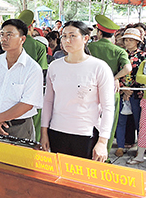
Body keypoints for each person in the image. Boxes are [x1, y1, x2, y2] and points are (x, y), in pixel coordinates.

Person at [40, 21, 114, 161]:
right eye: (64, 36)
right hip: (57, 131)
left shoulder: (99, 67)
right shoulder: (55, 66)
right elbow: (48, 101)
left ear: (85, 38)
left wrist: (103, 142)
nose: (67, 40)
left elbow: (108, 107)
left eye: (73, 36)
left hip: (86, 134)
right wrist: (44, 132)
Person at [0, 19, 43, 141]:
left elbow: (27, 104)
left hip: (20, 127)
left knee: (19, 160)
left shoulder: (32, 68)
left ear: (22, 39)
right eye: (2, 34)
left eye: (9, 35)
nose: (3, 39)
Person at [87, 15, 132, 157]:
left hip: (90, 89)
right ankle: (103, 154)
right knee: (108, 122)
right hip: (111, 91)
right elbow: (128, 68)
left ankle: (88, 152)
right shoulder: (119, 51)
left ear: (99, 32)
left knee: (88, 121)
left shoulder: (89, 47)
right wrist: (114, 78)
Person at [114, 28, 146, 157]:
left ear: (137, 42)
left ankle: (141, 147)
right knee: (120, 120)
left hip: (137, 92)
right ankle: (120, 146)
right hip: (121, 91)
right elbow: (117, 72)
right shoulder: (121, 54)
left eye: (130, 40)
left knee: (139, 121)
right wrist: (123, 88)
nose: (127, 42)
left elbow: (142, 75)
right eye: (126, 40)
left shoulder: (143, 56)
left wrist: (132, 89)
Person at [18, 10, 48, 142]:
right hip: (33, 90)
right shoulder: (39, 46)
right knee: (34, 120)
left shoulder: (14, 43)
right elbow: (42, 71)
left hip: (14, 89)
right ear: (32, 26)